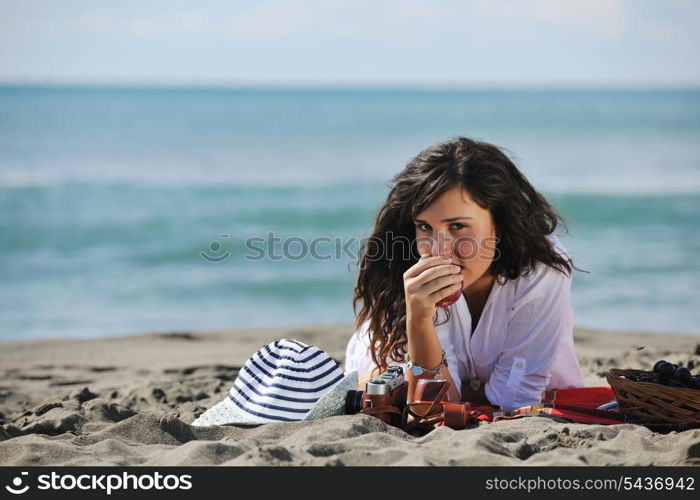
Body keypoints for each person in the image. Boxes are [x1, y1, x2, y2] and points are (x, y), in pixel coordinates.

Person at [344, 137, 585, 412]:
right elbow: (430, 406)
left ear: (502, 223)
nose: (439, 250)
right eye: (424, 226)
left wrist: (461, 389)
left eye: (457, 226)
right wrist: (419, 319)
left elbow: (513, 400)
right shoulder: (408, 270)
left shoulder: (541, 266)